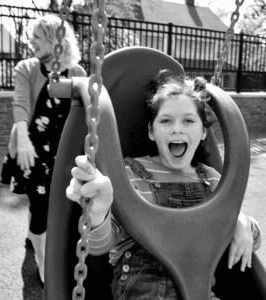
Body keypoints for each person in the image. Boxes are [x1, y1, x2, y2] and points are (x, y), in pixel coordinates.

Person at [66, 74, 261, 299]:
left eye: (188, 120)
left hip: (199, 291)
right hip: (143, 291)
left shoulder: (212, 179)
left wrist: (241, 221)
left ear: (204, 132)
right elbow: (98, 245)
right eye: (166, 120)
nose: (177, 129)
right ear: (151, 131)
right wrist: (99, 213)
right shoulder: (129, 174)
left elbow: (251, 242)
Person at [0, 14, 87, 284]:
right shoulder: (26, 68)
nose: (30, 41)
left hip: (62, 149)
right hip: (35, 147)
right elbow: (22, 105)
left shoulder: (77, 74)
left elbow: (86, 115)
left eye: (36, 36)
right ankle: (42, 262)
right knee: (40, 205)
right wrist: (23, 140)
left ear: (54, 39)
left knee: (57, 200)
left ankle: (34, 236)